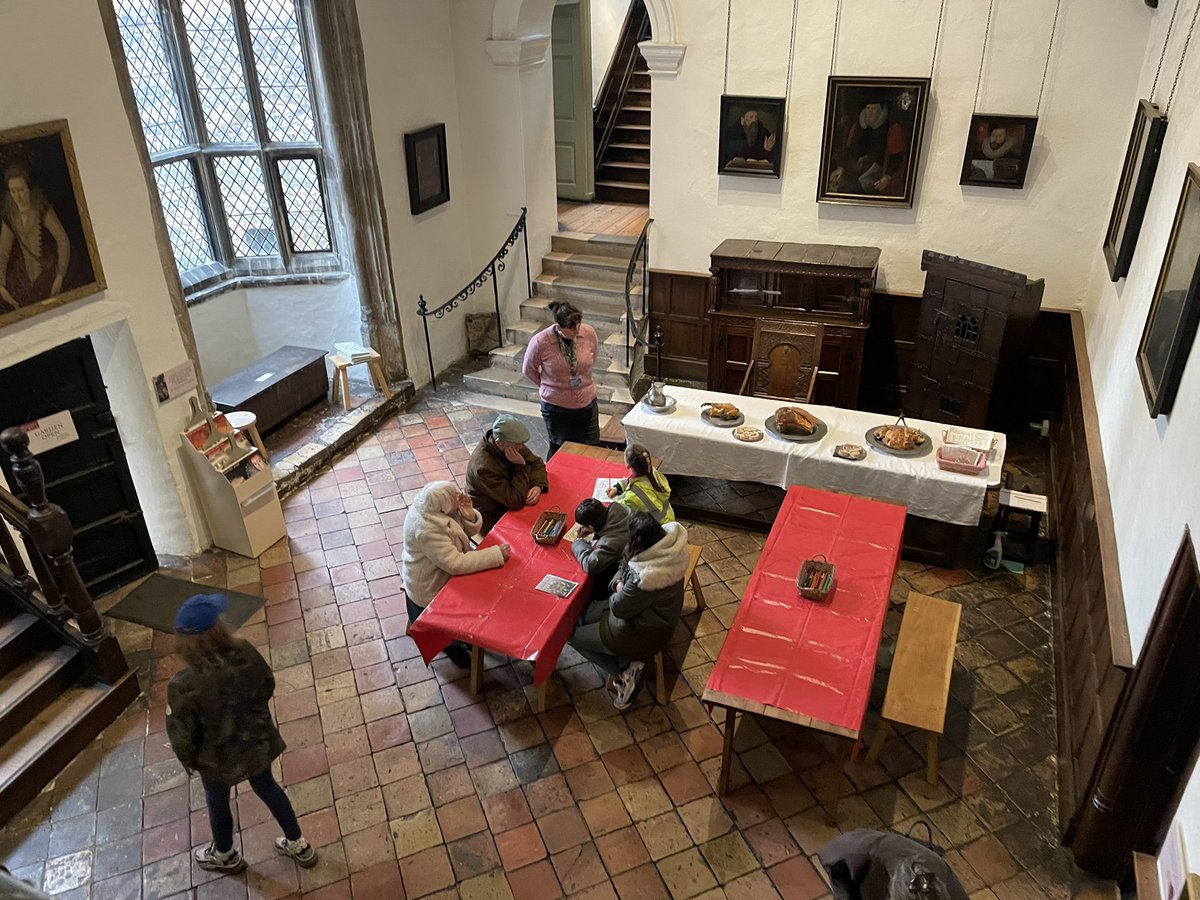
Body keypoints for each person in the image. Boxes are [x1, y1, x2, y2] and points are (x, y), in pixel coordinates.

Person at [165, 594, 318, 874]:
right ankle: (299, 844)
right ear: (220, 628)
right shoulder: (245, 651)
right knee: (267, 787)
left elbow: (182, 735)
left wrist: (189, 760)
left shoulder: (183, 686)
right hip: (256, 740)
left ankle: (225, 854)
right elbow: (267, 684)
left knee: (218, 801)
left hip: (216, 759)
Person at [569, 511, 690, 710]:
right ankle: (625, 662)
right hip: (653, 615)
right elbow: (625, 567)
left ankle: (624, 671)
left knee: (573, 636)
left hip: (643, 629)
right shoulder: (666, 549)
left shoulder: (648, 578)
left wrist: (618, 583)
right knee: (583, 616)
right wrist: (621, 580)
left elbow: (619, 606)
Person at [401, 481, 510, 669]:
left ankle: (462, 637)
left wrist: (468, 514)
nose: (460, 495)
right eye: (454, 496)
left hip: (440, 572)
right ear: (443, 505)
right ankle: (451, 646)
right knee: (477, 599)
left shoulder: (435, 510)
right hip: (429, 585)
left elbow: (461, 533)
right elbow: (455, 564)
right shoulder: (426, 529)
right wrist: (495, 555)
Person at [521, 300, 600, 456]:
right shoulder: (541, 341)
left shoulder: (588, 333)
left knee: (591, 449)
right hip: (557, 408)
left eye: (578, 325)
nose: (577, 331)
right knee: (561, 451)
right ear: (558, 327)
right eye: (571, 329)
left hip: (587, 404)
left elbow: (593, 357)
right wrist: (548, 386)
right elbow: (528, 369)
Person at [0, 161, 72, 310]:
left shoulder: (42, 209)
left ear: (29, 189)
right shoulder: (10, 216)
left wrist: (60, 275)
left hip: (49, 275)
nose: (17, 196)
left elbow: (63, 240)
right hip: (24, 281)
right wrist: (1, 285)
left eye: (21, 190)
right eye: (13, 191)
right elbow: (3, 252)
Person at [465, 414, 549, 534]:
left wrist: (537, 485)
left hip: (511, 493)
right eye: (517, 445)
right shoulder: (483, 467)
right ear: (499, 443)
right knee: (531, 533)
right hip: (491, 512)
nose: (521, 448)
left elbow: (537, 463)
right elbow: (515, 501)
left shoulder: (510, 444)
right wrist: (520, 466)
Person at [827, 99, 909, 197]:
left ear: (881, 111)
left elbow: (895, 158)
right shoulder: (857, 127)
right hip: (858, 168)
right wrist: (841, 167)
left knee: (858, 187)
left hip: (880, 171)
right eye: (868, 108)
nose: (870, 112)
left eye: (874, 109)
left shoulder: (893, 129)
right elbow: (849, 151)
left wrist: (887, 177)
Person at [571, 497, 632, 597]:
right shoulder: (619, 509)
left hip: (626, 570)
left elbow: (590, 564)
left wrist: (579, 542)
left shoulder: (611, 543)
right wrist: (596, 532)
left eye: (583, 526)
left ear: (590, 527)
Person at [606, 443, 675, 523]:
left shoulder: (633, 496)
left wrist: (615, 499)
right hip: (668, 517)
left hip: (658, 528)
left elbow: (618, 509)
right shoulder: (651, 471)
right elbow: (631, 480)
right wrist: (618, 487)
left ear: (628, 465)